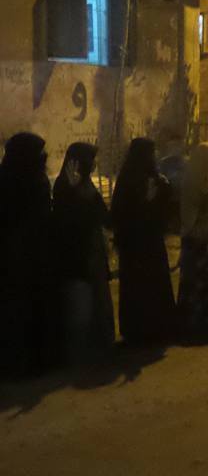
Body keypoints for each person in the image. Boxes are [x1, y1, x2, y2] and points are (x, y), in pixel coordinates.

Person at [52, 142, 114, 363]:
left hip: (93, 250)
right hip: (77, 253)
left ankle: (99, 345)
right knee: (81, 303)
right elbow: (66, 221)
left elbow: (102, 215)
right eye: (90, 160)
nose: (93, 165)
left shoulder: (86, 185)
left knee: (97, 298)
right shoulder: (63, 186)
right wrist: (73, 191)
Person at [112, 138, 176, 345]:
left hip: (150, 241)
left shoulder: (152, 177)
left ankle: (155, 327)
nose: (154, 156)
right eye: (151, 152)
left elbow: (167, 206)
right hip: (136, 243)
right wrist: (146, 200)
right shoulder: (129, 180)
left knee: (151, 285)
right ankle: (141, 330)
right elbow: (121, 214)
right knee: (140, 286)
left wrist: (162, 190)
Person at [0, 133, 52, 376]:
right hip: (17, 258)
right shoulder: (19, 182)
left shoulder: (32, 178)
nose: (44, 157)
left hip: (31, 256)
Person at [179, 142, 208, 339]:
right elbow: (192, 209)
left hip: (207, 235)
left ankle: (207, 318)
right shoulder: (193, 179)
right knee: (196, 279)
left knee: (207, 277)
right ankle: (194, 321)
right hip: (195, 236)